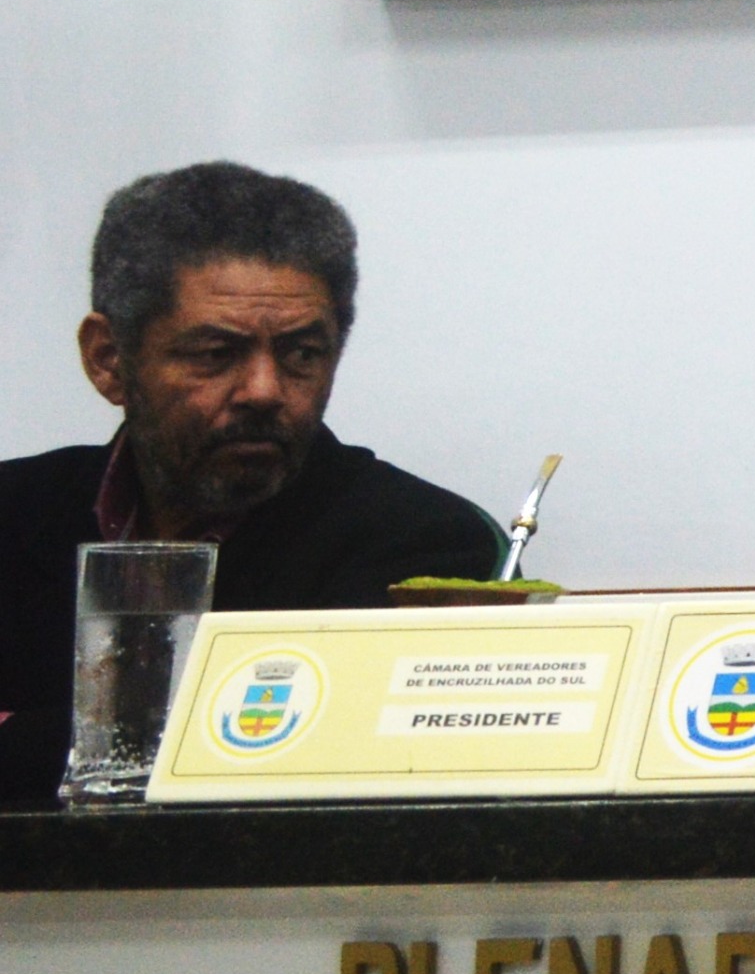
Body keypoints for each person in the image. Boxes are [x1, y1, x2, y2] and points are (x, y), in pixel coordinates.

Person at [0, 163, 503, 799]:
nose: (264, 391)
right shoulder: (14, 511)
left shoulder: (419, 543)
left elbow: (265, 765)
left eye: (301, 354)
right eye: (216, 354)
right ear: (108, 360)